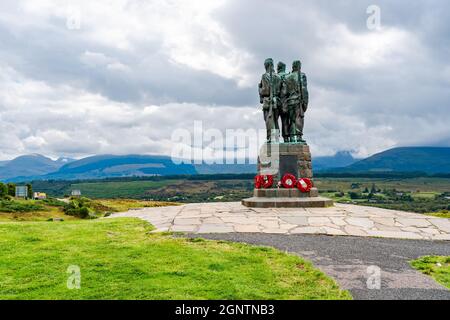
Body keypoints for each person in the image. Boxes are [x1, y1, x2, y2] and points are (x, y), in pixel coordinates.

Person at [258, 58, 282, 142]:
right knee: (275, 121)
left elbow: (265, 90)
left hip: (268, 101)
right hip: (277, 101)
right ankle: (276, 138)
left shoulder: (265, 76)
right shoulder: (278, 77)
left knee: (269, 120)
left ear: (266, 65)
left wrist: (260, 89)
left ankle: (271, 138)